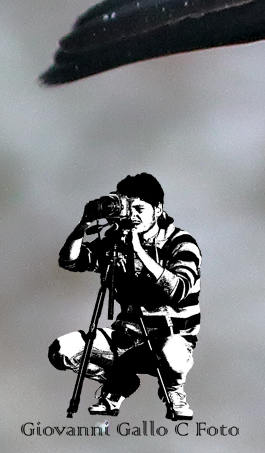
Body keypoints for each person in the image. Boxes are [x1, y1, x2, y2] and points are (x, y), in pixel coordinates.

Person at [48, 173, 201, 419]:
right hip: (126, 336)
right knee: (62, 351)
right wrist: (81, 228)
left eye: (140, 208)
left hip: (169, 337)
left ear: (158, 209)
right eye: (128, 208)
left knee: (172, 353)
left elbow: (178, 290)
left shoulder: (181, 242)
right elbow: (70, 261)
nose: (133, 216)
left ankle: (173, 391)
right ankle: (120, 382)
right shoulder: (116, 240)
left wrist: (138, 250)